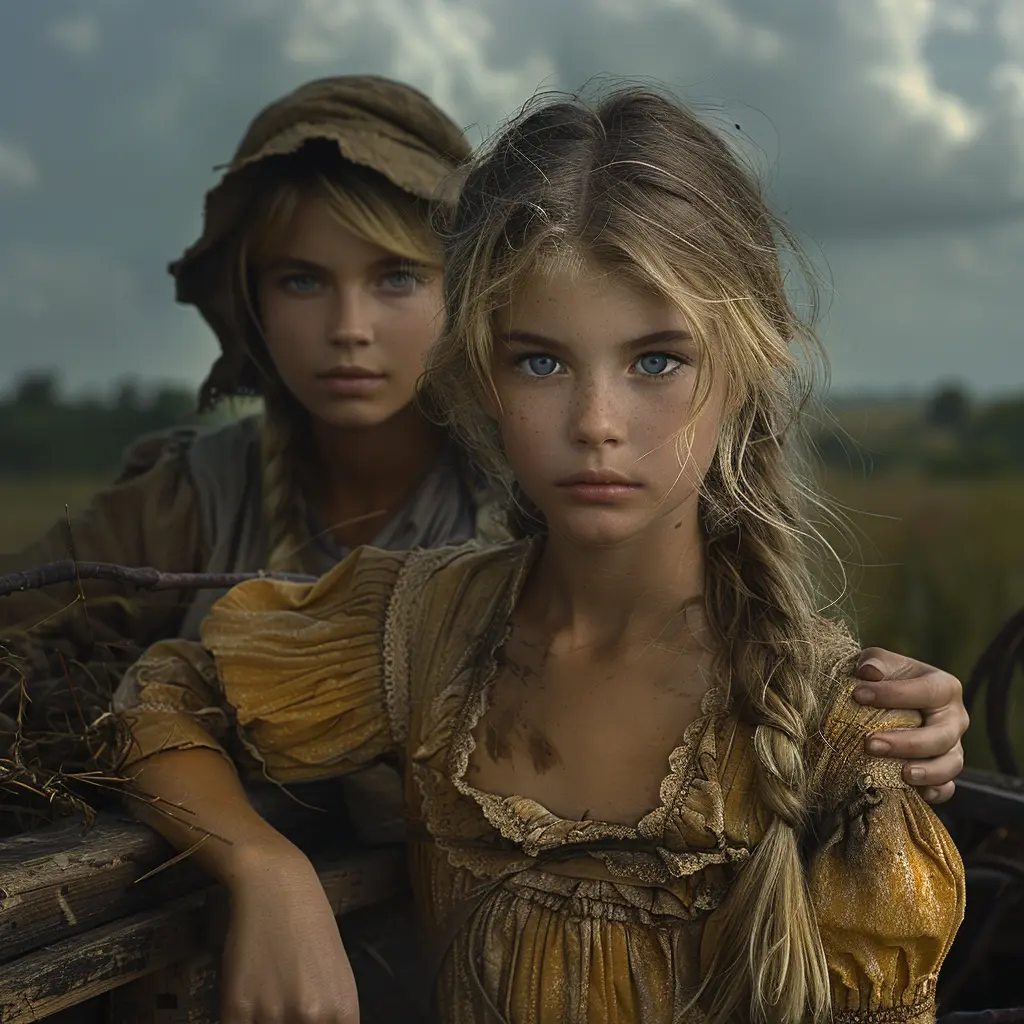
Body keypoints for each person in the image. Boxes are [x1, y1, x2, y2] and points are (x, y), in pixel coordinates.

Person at [114, 86, 965, 1024]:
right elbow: (164, 697)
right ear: (482, 372)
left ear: (748, 365)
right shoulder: (423, 630)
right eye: (542, 363)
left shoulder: (843, 731)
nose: (596, 426)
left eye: (655, 361)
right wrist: (263, 869)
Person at [0, 76, 970, 807]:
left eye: (395, 279)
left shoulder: (536, 493)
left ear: (460, 298)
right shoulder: (218, 505)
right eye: (300, 280)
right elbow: (92, 660)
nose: (348, 327)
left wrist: (875, 710)